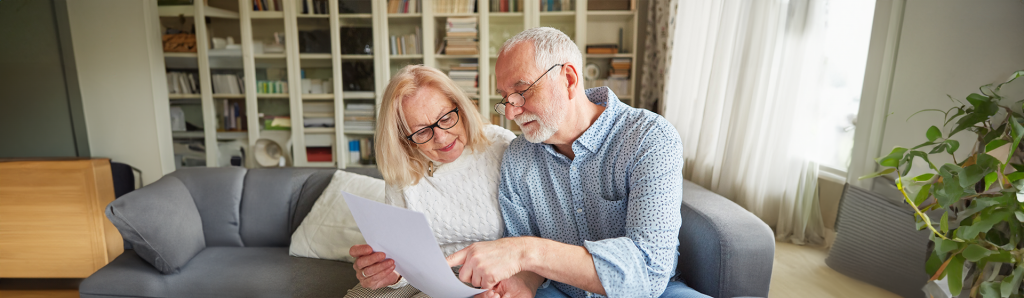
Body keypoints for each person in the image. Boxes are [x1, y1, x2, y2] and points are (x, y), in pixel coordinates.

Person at [445, 27, 709, 298]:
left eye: (522, 91)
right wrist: (522, 282)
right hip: (560, 291)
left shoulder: (648, 138)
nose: (511, 112)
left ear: (569, 79)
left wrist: (526, 252)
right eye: (506, 98)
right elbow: (526, 264)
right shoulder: (518, 157)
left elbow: (648, 272)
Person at [344, 65, 516, 298]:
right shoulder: (403, 167)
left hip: (488, 276)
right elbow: (402, 258)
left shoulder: (501, 146)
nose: (441, 137)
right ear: (404, 139)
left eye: (446, 118)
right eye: (422, 131)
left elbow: (526, 241)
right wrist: (389, 272)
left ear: (462, 108)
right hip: (420, 277)